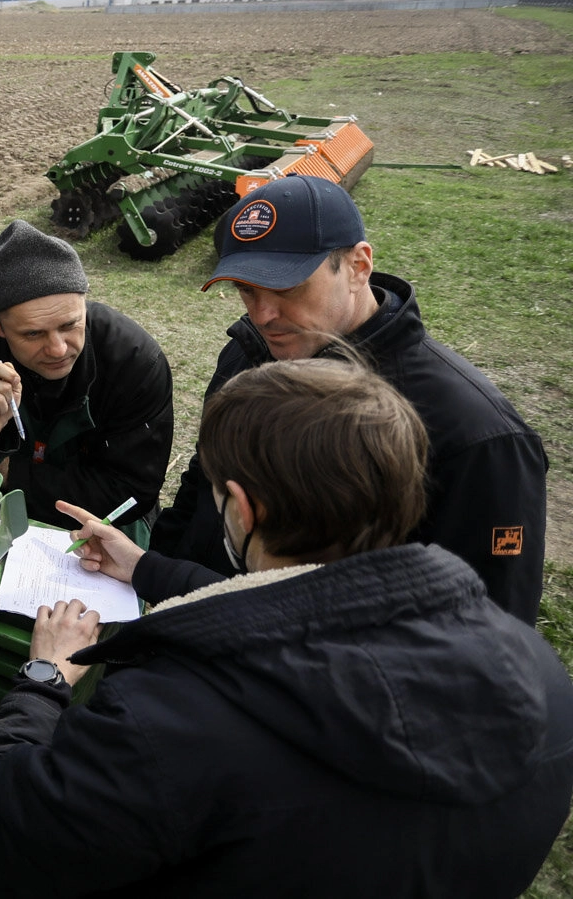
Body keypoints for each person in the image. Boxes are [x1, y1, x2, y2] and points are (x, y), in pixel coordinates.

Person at [0, 359, 573, 898]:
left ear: (243, 510)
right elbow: (309, 606)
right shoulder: (541, 672)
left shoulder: (164, 725)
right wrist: (147, 569)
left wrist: (45, 676)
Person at [150, 174, 547, 623]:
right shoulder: (248, 354)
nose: (262, 314)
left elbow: (490, 623)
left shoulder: (477, 434)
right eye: (245, 289)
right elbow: (206, 480)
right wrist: (157, 575)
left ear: (358, 266)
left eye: (286, 288)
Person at [0, 220, 173, 538]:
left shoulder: (133, 359)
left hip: (101, 532)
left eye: (70, 325)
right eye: (33, 333)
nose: (57, 349)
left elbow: (132, 493)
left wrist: (9, 474)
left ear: (84, 302)